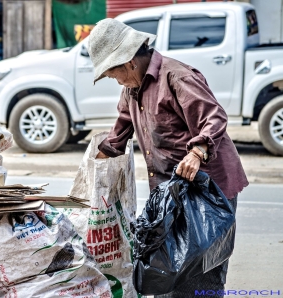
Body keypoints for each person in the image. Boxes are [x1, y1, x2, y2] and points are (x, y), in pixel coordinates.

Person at [88, 18, 248, 297]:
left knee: (200, 275)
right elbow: (119, 133)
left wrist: (197, 152)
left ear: (129, 62)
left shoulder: (177, 76)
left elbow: (213, 118)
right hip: (171, 193)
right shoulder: (131, 89)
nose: (116, 81)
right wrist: (94, 167)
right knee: (166, 273)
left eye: (114, 74)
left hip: (208, 190)